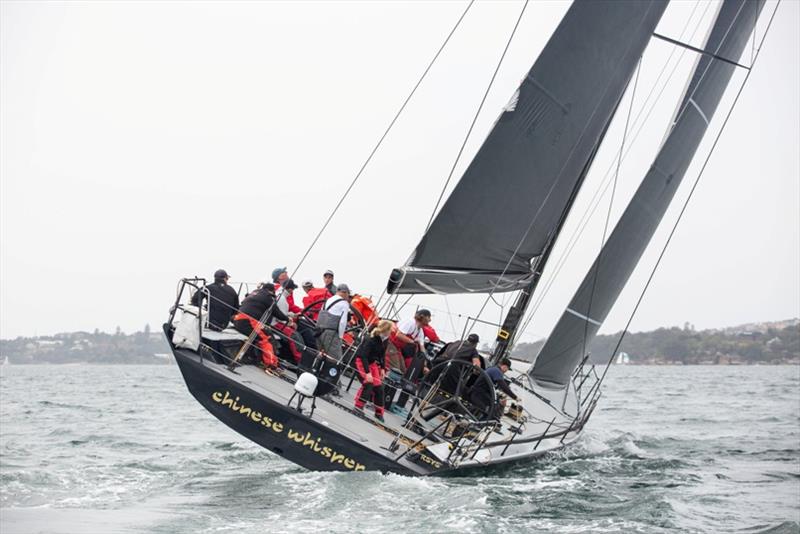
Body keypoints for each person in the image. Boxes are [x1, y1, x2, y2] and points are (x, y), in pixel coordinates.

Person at [232, 282, 291, 371]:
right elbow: (276, 312)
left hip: (237, 319)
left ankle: (258, 357)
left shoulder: (254, 292)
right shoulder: (268, 297)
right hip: (249, 321)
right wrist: (287, 319)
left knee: (260, 335)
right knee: (266, 339)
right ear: (271, 291)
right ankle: (271, 364)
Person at [354, 320, 392, 422]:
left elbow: (382, 355)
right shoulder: (370, 339)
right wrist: (367, 373)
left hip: (372, 363)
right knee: (368, 383)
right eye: (390, 330)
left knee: (379, 388)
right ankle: (358, 406)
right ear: (385, 329)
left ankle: (379, 413)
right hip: (361, 362)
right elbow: (363, 356)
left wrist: (383, 368)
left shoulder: (385, 340)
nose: (391, 332)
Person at [316, 284, 351, 362]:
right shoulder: (344, 304)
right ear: (344, 292)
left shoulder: (329, 300)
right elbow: (342, 322)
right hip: (331, 334)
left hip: (319, 331)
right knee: (335, 360)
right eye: (348, 294)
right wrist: (340, 337)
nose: (348, 296)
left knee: (321, 354)